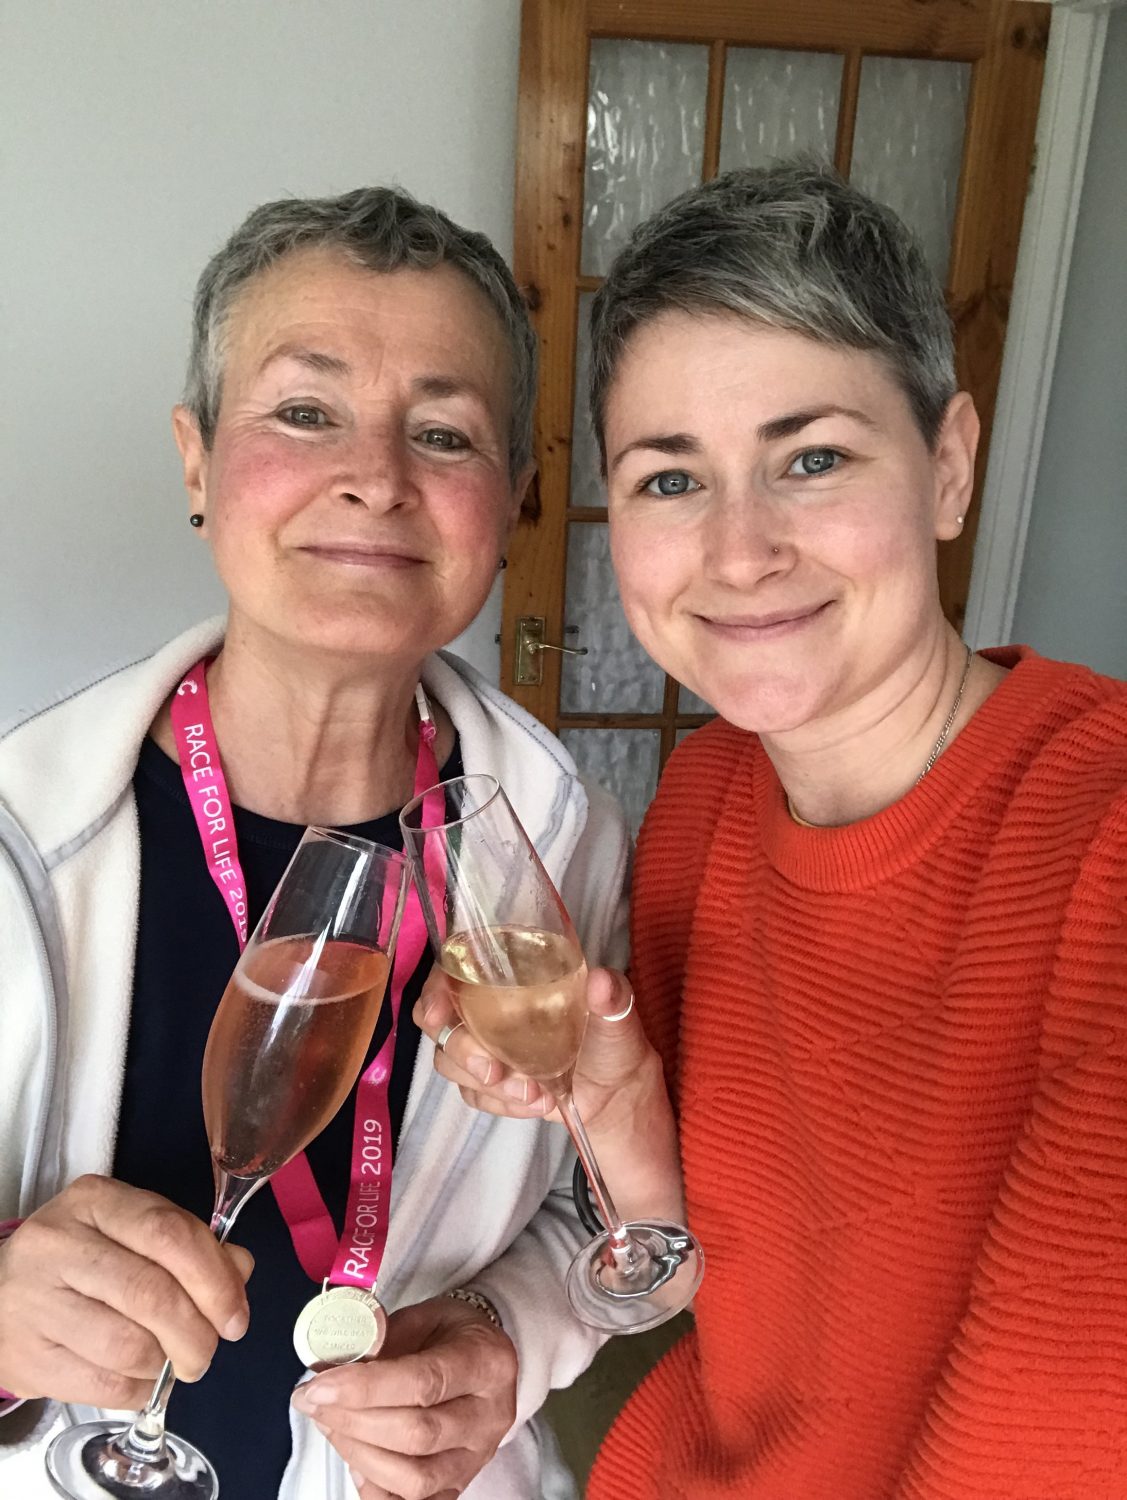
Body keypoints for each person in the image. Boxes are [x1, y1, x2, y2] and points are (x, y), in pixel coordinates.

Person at [418, 162, 1127, 1499]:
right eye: (670, 480)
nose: (740, 552)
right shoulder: (702, 807)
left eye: (812, 459)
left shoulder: (1102, 836)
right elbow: (701, 1275)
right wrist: (621, 1114)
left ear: (951, 467)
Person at [0, 185, 629, 1500]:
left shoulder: (559, 832)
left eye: (444, 433)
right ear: (195, 459)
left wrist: (513, 1340)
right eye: (304, 410)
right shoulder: (19, 836)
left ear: (511, 498)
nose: (378, 476)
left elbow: (601, 1206)